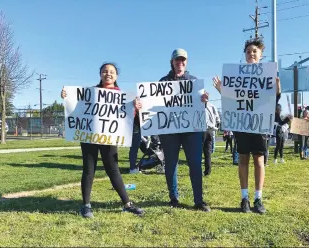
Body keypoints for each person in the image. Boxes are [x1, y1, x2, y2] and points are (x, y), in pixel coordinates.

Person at [60, 62, 144, 218]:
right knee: (89, 169)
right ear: (100, 74)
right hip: (89, 137)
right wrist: (66, 96)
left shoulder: (123, 97)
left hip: (109, 137)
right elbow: (75, 106)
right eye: (105, 71)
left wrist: (135, 107)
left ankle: (127, 204)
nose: (108, 74)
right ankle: (86, 206)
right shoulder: (90, 93)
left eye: (112, 71)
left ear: (116, 76)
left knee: (113, 170)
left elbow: (127, 118)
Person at [212, 38, 281, 214]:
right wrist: (222, 90)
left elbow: (272, 102)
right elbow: (232, 101)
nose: (251, 53)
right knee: (243, 159)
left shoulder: (267, 76)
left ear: (260, 55)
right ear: (245, 54)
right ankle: (244, 198)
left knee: (259, 160)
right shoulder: (236, 76)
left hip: (259, 125)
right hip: (241, 125)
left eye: (254, 51)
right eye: (248, 51)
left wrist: (277, 91)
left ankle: (258, 198)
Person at [138, 48, 210, 211]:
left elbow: (200, 106)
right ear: (172, 62)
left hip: (191, 130)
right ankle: (173, 198)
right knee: (171, 163)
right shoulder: (163, 82)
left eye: (183, 60)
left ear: (186, 62)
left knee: (195, 163)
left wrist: (204, 100)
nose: (180, 62)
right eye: (177, 60)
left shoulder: (194, 81)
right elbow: (153, 105)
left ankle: (198, 200)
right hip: (170, 130)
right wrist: (142, 105)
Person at [203, 100, 220, 176]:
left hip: (201, 130)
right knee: (207, 152)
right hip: (209, 130)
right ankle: (208, 171)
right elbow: (218, 119)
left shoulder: (196, 105)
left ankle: (203, 170)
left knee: (199, 152)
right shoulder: (212, 106)